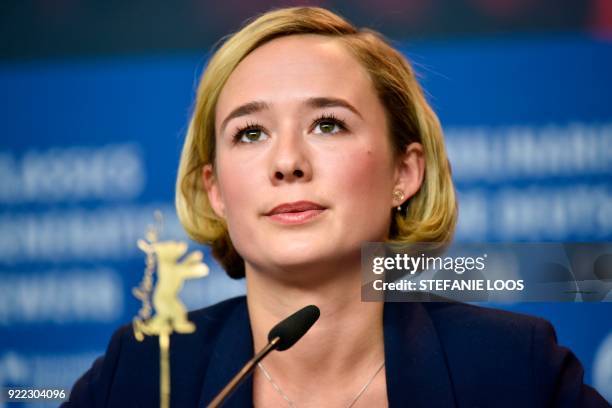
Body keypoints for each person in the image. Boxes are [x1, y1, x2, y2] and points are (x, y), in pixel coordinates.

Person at [63, 6, 609, 407]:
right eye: (250, 133)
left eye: (327, 124)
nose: (288, 162)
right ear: (216, 190)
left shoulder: (510, 368)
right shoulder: (141, 374)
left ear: (404, 173)